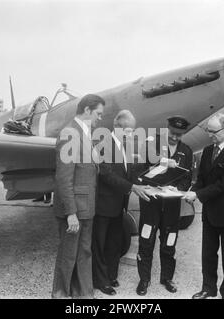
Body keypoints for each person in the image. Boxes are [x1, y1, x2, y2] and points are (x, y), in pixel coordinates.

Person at [183, 113, 224, 299]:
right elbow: (201, 179)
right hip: (210, 213)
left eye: (213, 131)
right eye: (208, 131)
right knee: (208, 253)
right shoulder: (208, 151)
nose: (210, 135)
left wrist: (198, 194)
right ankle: (208, 288)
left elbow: (223, 185)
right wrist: (192, 191)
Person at [51, 94, 105, 299]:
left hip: (86, 206)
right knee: (68, 255)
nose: (100, 118)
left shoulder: (85, 133)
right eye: (98, 113)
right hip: (74, 208)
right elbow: (63, 178)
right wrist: (70, 213)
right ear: (87, 110)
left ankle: (83, 295)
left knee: (84, 253)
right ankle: (60, 295)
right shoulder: (69, 133)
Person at [92, 110, 151, 296]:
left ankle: (111, 275)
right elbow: (106, 174)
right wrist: (132, 187)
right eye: (128, 130)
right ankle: (100, 281)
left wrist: (147, 172)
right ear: (117, 127)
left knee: (114, 243)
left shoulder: (122, 145)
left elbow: (127, 172)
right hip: (104, 204)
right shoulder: (104, 145)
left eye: (132, 130)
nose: (131, 134)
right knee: (99, 245)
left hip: (118, 204)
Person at [135, 116, 193, 296]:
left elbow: (187, 178)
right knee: (146, 241)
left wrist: (178, 188)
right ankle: (144, 279)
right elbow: (139, 170)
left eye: (180, 134)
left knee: (169, 241)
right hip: (151, 202)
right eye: (173, 133)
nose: (175, 137)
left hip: (171, 204)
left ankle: (166, 278)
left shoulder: (186, 151)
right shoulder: (151, 145)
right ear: (167, 128)